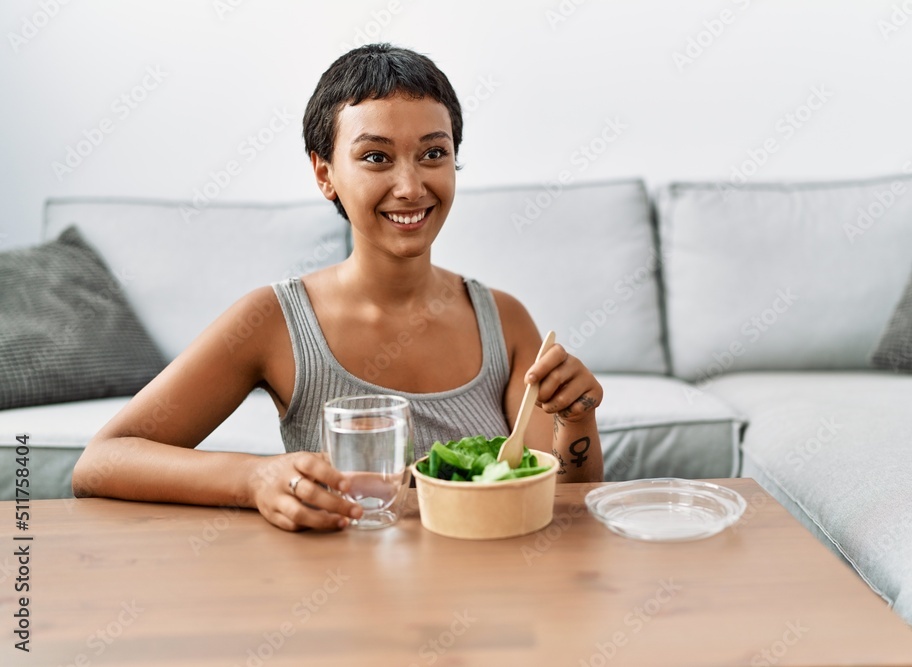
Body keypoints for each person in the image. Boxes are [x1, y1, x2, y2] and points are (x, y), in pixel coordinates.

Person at [72, 43, 604, 532]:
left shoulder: (504, 319)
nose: (411, 186)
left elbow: (561, 501)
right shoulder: (273, 319)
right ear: (324, 173)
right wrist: (255, 478)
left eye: (433, 153)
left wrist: (576, 418)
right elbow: (102, 461)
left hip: (484, 602)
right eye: (376, 157)